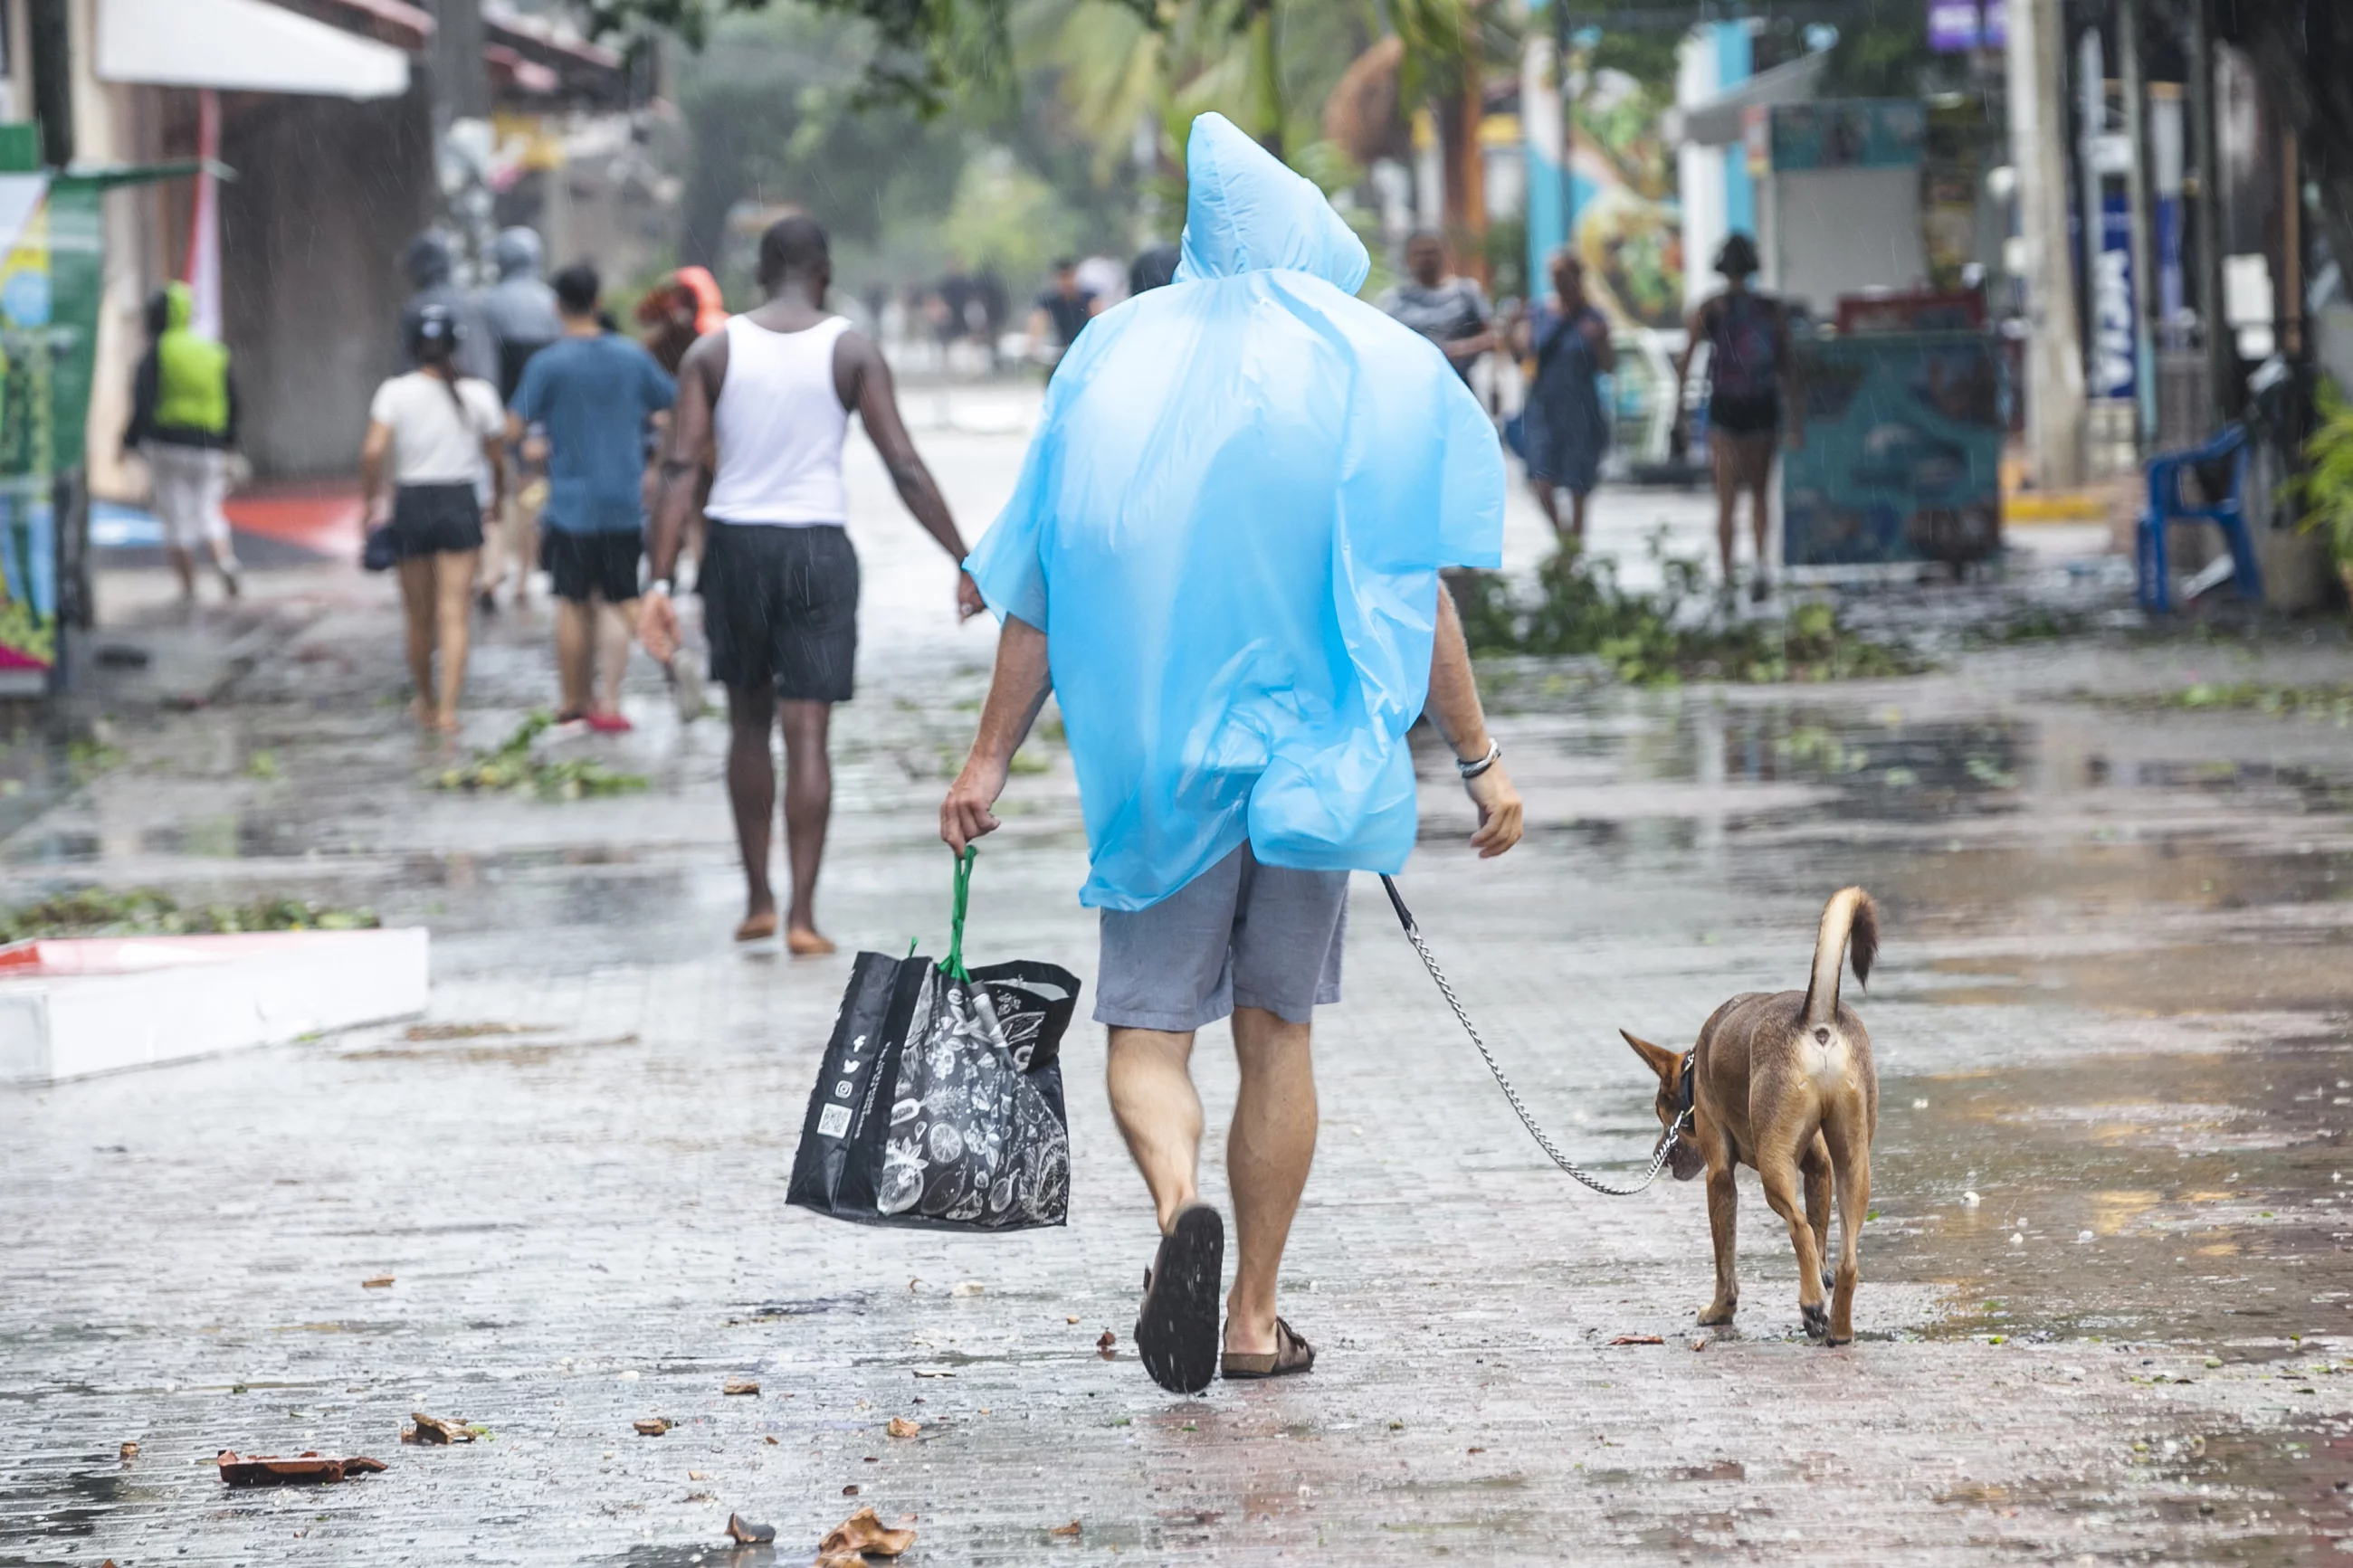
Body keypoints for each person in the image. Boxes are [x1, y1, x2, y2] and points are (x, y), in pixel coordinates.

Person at [939, 114, 1524, 1396]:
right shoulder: (1359, 371)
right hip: (1314, 774)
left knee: (1148, 1030)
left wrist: (986, 762)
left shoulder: (1111, 364)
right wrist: (1478, 762)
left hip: (1164, 772)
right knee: (1280, 1030)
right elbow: (1417, 594)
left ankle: (1175, 1216)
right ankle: (1253, 1316)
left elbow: (1044, 582)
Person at [640, 216, 983, 955]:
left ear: (761, 274)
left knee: (746, 725)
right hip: (817, 549)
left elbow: (677, 468)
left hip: (734, 546)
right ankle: (803, 914)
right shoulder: (851, 347)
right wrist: (964, 555)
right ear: (823, 272)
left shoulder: (714, 349)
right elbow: (904, 466)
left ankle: (757, 899)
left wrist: (658, 579)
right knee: (808, 732)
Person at [509, 263, 675, 731]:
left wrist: (527, 450)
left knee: (572, 601)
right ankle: (612, 700)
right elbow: (673, 404)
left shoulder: (547, 364)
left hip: (570, 505)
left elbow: (514, 426)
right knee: (620, 595)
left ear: (558, 307)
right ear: (599, 302)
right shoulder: (632, 358)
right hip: (623, 499)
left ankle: (572, 701)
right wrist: (656, 460)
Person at [359, 305, 504, 732]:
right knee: (454, 613)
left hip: (413, 504)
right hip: (460, 501)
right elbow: (497, 459)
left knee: (418, 617)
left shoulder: (394, 392)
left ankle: (424, 699)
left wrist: (370, 501)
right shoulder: (480, 394)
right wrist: (496, 496)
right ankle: (449, 712)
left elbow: (371, 451)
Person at [1674, 232, 1805, 602]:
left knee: (1726, 498)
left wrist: (1679, 413)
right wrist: (1796, 417)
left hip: (1726, 409)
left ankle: (1729, 574)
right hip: (1761, 405)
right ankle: (1760, 566)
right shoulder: (1769, 309)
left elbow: (1685, 363)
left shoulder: (1710, 308)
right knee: (1760, 495)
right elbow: (1788, 366)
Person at [126, 282, 243, 601]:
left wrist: (130, 441)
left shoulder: (158, 351)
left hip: (167, 445)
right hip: (209, 445)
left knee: (175, 517)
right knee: (208, 510)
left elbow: (143, 401)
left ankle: (189, 587)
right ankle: (226, 561)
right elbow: (233, 399)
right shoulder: (213, 350)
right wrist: (230, 442)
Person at [477, 227, 564, 612]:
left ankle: (493, 571)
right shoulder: (551, 303)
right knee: (530, 497)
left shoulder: (487, 304)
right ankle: (525, 579)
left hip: (498, 411)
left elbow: (485, 367)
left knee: (494, 494)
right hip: (541, 417)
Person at [1516, 250, 1615, 542]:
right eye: (1555, 275)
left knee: (1578, 483)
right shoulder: (1538, 313)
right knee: (1539, 479)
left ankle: (1576, 549)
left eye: (1565, 274)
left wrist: (1599, 339)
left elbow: (1608, 366)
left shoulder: (1594, 317)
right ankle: (1564, 541)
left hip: (1580, 409)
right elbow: (1524, 354)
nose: (1559, 281)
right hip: (1543, 406)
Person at [1377, 230, 1494, 383]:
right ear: (1407, 258)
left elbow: (1494, 337)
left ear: (1446, 253)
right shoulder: (1393, 300)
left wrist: (1458, 349)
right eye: (1418, 253)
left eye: (1431, 252)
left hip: (1461, 382)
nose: (1425, 259)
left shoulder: (1467, 293)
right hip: (1411, 382)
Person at [397, 230, 499, 385]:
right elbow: (485, 360)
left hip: (428, 399)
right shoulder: (471, 303)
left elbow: (406, 368)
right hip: (473, 396)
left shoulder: (415, 308)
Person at [1026, 259, 1098, 366]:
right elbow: (1038, 319)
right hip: (1061, 349)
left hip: (1085, 347)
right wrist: (1034, 345)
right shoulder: (1051, 299)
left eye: (1069, 276)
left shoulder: (1088, 297)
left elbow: (1098, 317)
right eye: (1062, 277)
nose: (1066, 282)